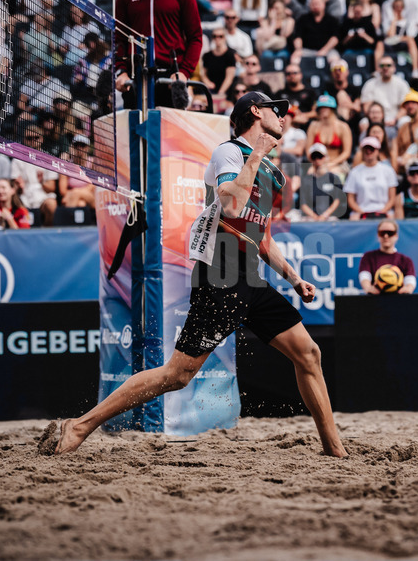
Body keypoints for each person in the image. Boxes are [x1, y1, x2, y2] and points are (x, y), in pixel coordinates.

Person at [43, 91, 347, 458]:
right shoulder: (231, 152)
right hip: (220, 274)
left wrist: (294, 278)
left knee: (309, 354)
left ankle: (335, 451)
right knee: (177, 374)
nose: (283, 117)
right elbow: (233, 204)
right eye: (275, 110)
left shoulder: (270, 171)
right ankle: (79, 426)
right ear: (255, 112)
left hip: (250, 277)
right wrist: (258, 155)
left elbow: (261, 237)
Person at [114, 0, 203, 109]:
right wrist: (122, 71)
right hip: (135, 78)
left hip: (170, 77)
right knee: (135, 132)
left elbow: (195, 37)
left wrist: (184, 73)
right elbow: (119, 39)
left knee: (170, 134)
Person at [344, 136, 399, 219]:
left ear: (378, 151)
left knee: (392, 222)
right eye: (366, 149)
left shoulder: (388, 170)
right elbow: (351, 199)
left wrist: (383, 211)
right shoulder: (354, 172)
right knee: (353, 219)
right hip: (361, 211)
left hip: (384, 210)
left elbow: (392, 198)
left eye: (372, 149)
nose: (368, 151)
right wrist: (361, 212)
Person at [358, 220, 416, 294]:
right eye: (382, 233)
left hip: (399, 301)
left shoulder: (405, 260)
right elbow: (364, 276)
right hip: (374, 300)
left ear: (396, 236)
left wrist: (408, 289)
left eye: (390, 233)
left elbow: (410, 281)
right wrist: (368, 288)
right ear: (378, 235)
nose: (386, 236)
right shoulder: (368, 257)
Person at [298, 142, 344, 220]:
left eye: (320, 156)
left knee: (333, 220)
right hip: (310, 217)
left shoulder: (334, 178)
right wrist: (315, 217)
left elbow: (337, 200)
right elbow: (303, 204)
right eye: (314, 157)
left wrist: (325, 215)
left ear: (326, 158)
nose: (317, 160)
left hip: (330, 217)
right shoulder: (306, 180)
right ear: (311, 159)